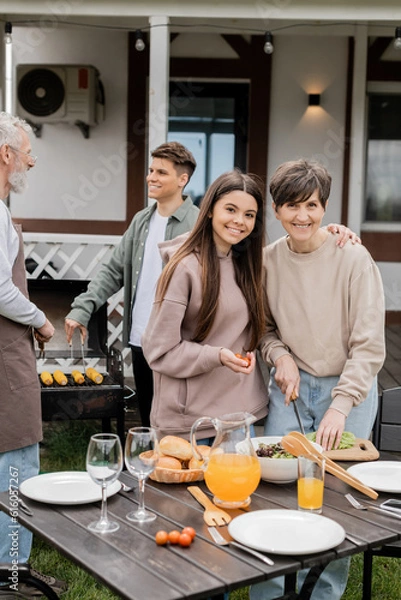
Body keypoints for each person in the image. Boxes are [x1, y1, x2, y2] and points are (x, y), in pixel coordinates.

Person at [250, 159, 386, 600]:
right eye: (291, 206)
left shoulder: (354, 257)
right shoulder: (268, 261)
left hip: (347, 391)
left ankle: (321, 593)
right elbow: (264, 329)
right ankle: (269, 591)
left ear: (324, 206)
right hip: (289, 390)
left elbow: (369, 346)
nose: (302, 216)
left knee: (332, 497)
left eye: (310, 205)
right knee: (274, 488)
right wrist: (280, 355)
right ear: (275, 209)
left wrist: (341, 405)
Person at [65, 142, 199, 427]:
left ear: (182, 180)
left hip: (179, 342)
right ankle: (151, 470)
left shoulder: (198, 224)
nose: (151, 177)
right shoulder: (142, 220)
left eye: (161, 172)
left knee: (179, 420)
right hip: (142, 338)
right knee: (149, 416)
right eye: (151, 170)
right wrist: (82, 308)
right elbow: (112, 271)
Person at [142, 170, 269, 440]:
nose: (239, 221)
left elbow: (295, 244)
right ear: (210, 210)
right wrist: (217, 356)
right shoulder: (184, 268)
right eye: (231, 209)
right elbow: (158, 351)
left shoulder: (247, 264)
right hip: (191, 424)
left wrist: (330, 232)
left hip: (238, 419)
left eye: (249, 214)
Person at [0, 112, 66, 597]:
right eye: (26, 153)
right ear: (6, 156)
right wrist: (41, 319)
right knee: (18, 458)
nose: (32, 161)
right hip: (5, 356)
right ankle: (12, 574)